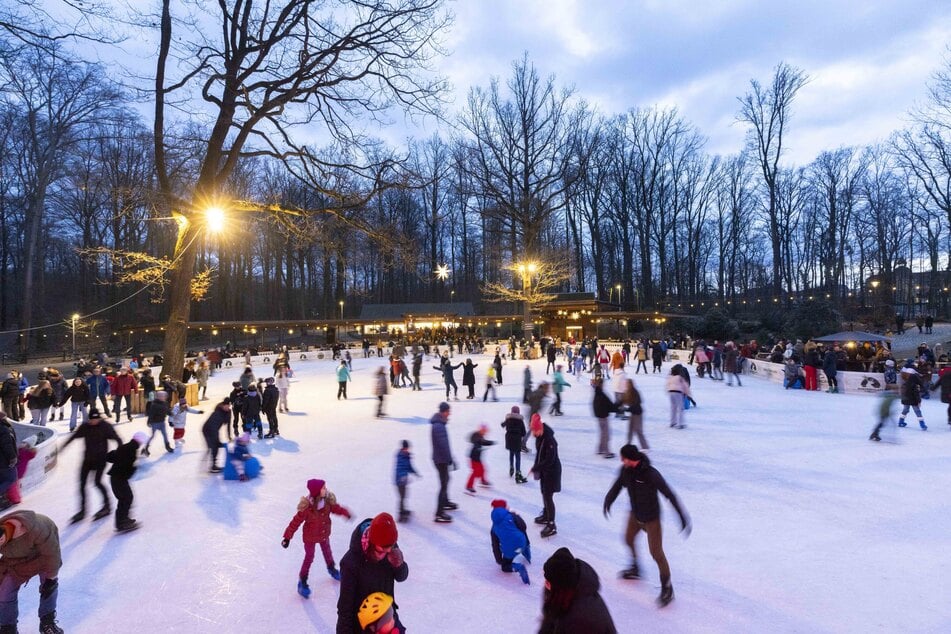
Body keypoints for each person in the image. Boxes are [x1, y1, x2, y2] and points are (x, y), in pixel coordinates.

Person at [603, 444, 691, 607]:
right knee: (628, 539)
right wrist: (609, 500)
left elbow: (669, 494)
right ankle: (635, 567)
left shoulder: (651, 474)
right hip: (635, 515)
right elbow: (617, 486)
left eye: (623, 458)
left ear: (630, 459)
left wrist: (682, 515)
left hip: (652, 519)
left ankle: (667, 587)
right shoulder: (625, 471)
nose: (621, 460)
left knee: (656, 553)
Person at [336, 513, 408, 634]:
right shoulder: (351, 563)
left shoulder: (389, 546)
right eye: (381, 550)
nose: (385, 554)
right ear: (371, 542)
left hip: (388, 618)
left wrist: (399, 565)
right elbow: (345, 608)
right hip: (366, 626)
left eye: (389, 549)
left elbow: (401, 577)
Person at [282, 478, 353, 597]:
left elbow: (336, 508)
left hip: (323, 534)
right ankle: (302, 581)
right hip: (310, 537)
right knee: (309, 557)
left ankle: (332, 569)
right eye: (323, 488)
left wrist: (345, 513)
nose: (326, 489)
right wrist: (287, 537)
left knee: (327, 552)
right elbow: (295, 522)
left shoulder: (327, 502)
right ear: (317, 492)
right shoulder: (307, 508)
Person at [0, 510, 64, 634]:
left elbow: (52, 554)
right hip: (16, 560)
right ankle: (8, 629)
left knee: (48, 586)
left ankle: (47, 623)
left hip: (43, 556)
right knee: (4, 591)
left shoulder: (36, 528)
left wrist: (51, 578)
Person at [61, 408, 122, 523]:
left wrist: (120, 454)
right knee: (82, 484)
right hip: (87, 460)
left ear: (99, 418)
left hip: (100, 460)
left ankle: (107, 506)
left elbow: (117, 439)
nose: (93, 421)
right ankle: (82, 511)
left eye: (96, 419)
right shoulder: (85, 427)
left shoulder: (105, 427)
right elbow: (73, 437)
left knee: (97, 482)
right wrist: (63, 447)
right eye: (91, 420)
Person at [539, 547, 616, 633]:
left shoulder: (580, 617)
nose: (545, 583)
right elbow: (550, 619)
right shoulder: (562, 595)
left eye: (549, 582)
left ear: (560, 586)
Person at [528, 414, 561, 538]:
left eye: (534, 431)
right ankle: (546, 515)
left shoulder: (550, 440)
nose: (533, 434)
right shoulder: (540, 437)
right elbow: (539, 455)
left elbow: (550, 459)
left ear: (540, 428)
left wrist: (536, 467)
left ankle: (551, 525)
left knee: (548, 496)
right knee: (544, 493)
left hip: (552, 472)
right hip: (544, 471)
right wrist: (536, 466)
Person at [106, 431, 146, 533]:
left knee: (125, 498)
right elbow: (128, 470)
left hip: (116, 478)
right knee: (126, 498)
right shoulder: (132, 451)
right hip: (119, 479)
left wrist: (110, 456)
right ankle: (121, 523)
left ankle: (123, 519)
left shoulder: (125, 447)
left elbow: (111, 456)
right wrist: (136, 466)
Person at [489, 499, 531, 584]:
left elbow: (495, 546)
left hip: (511, 551)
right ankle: (526, 550)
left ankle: (517, 567)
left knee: (504, 567)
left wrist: (499, 560)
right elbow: (523, 527)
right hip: (522, 544)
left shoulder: (493, 529)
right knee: (520, 535)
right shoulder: (512, 516)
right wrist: (518, 517)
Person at [430, 402, 457, 523]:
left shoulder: (439, 424)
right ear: (443, 412)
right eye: (448, 411)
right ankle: (439, 514)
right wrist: (450, 459)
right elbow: (443, 445)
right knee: (443, 484)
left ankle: (445, 502)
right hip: (441, 460)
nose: (449, 413)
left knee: (446, 480)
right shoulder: (438, 426)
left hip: (441, 458)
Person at [202, 399, 231, 473]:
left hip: (214, 429)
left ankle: (212, 460)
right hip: (207, 429)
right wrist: (216, 439)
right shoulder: (217, 412)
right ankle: (213, 466)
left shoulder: (228, 412)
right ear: (223, 405)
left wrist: (229, 436)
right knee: (214, 446)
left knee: (215, 445)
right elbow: (213, 427)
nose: (227, 407)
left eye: (229, 406)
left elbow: (228, 424)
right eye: (226, 406)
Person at [464, 424, 495, 494]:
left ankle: (483, 481)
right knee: (475, 472)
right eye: (484, 431)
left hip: (477, 457)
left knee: (483, 469)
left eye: (486, 431)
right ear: (481, 430)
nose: (485, 433)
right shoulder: (476, 436)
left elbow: (483, 442)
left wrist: (490, 442)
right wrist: (479, 445)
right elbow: (478, 441)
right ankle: (469, 486)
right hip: (473, 458)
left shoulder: (479, 436)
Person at [591, 377, 618, 459]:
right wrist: (618, 406)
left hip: (600, 417)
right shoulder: (601, 394)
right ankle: (606, 452)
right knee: (606, 435)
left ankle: (600, 449)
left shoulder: (597, 392)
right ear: (601, 384)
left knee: (603, 434)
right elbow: (610, 405)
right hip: (603, 417)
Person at [394, 440, 419, 523]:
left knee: (404, 496)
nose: (407, 449)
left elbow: (409, 467)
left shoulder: (406, 455)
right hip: (399, 480)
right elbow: (400, 468)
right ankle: (401, 514)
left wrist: (415, 473)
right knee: (402, 497)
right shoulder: (401, 456)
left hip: (403, 480)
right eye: (405, 448)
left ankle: (403, 510)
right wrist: (402, 477)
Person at [501, 406, 527, 484]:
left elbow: (502, 425)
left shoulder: (508, 419)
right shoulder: (520, 421)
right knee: (518, 457)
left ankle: (511, 467)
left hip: (509, 439)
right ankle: (518, 473)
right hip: (517, 440)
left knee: (511, 453)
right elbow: (524, 433)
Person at [143, 391, 174, 456]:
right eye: (162, 396)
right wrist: (149, 421)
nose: (164, 397)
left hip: (162, 422)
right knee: (153, 436)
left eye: (164, 396)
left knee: (165, 435)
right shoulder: (154, 405)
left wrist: (170, 413)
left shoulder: (165, 403)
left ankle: (167, 446)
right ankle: (146, 448)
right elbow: (151, 414)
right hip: (155, 423)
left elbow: (167, 410)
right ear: (158, 397)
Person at [897, 362, 926, 430]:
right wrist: (919, 401)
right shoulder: (914, 385)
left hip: (906, 399)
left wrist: (902, 399)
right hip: (913, 400)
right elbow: (916, 394)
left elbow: (902, 393)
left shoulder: (904, 384)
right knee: (917, 411)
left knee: (905, 410)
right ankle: (922, 424)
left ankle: (901, 421)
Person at [621, 376, 648, 449]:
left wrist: (627, 409)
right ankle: (628, 444)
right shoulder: (627, 392)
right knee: (630, 429)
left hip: (638, 413)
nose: (627, 385)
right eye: (626, 384)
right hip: (633, 413)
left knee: (638, 430)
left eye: (628, 384)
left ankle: (645, 447)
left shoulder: (635, 392)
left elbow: (637, 403)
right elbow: (622, 401)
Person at [0, 414, 17, 502]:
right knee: (11, 479)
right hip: (4, 461)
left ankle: (2, 499)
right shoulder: (3, 429)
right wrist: (12, 457)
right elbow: (7, 445)